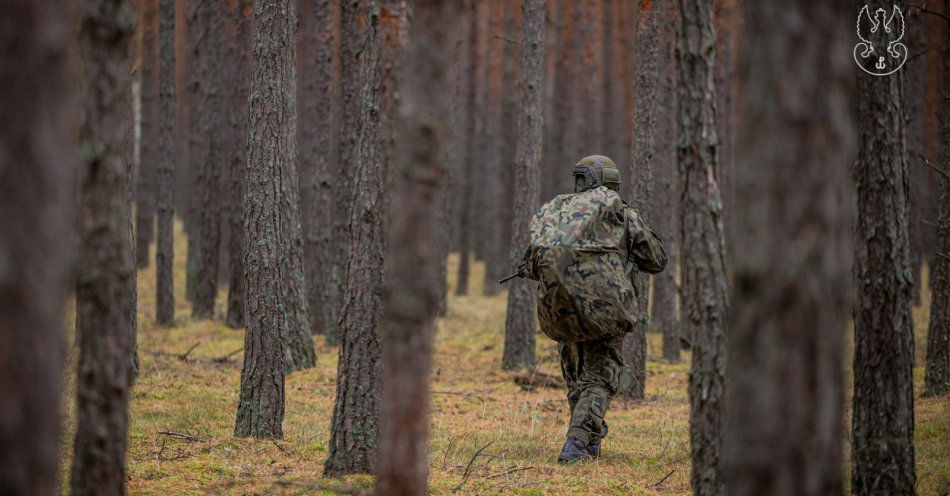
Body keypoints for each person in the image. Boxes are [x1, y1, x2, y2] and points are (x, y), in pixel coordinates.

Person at [523, 155, 667, 463]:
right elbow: (656, 260)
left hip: (560, 309)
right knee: (599, 378)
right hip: (603, 310)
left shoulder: (559, 213)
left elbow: (533, 265)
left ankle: (589, 442)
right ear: (612, 182)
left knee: (577, 376)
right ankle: (576, 444)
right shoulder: (621, 213)